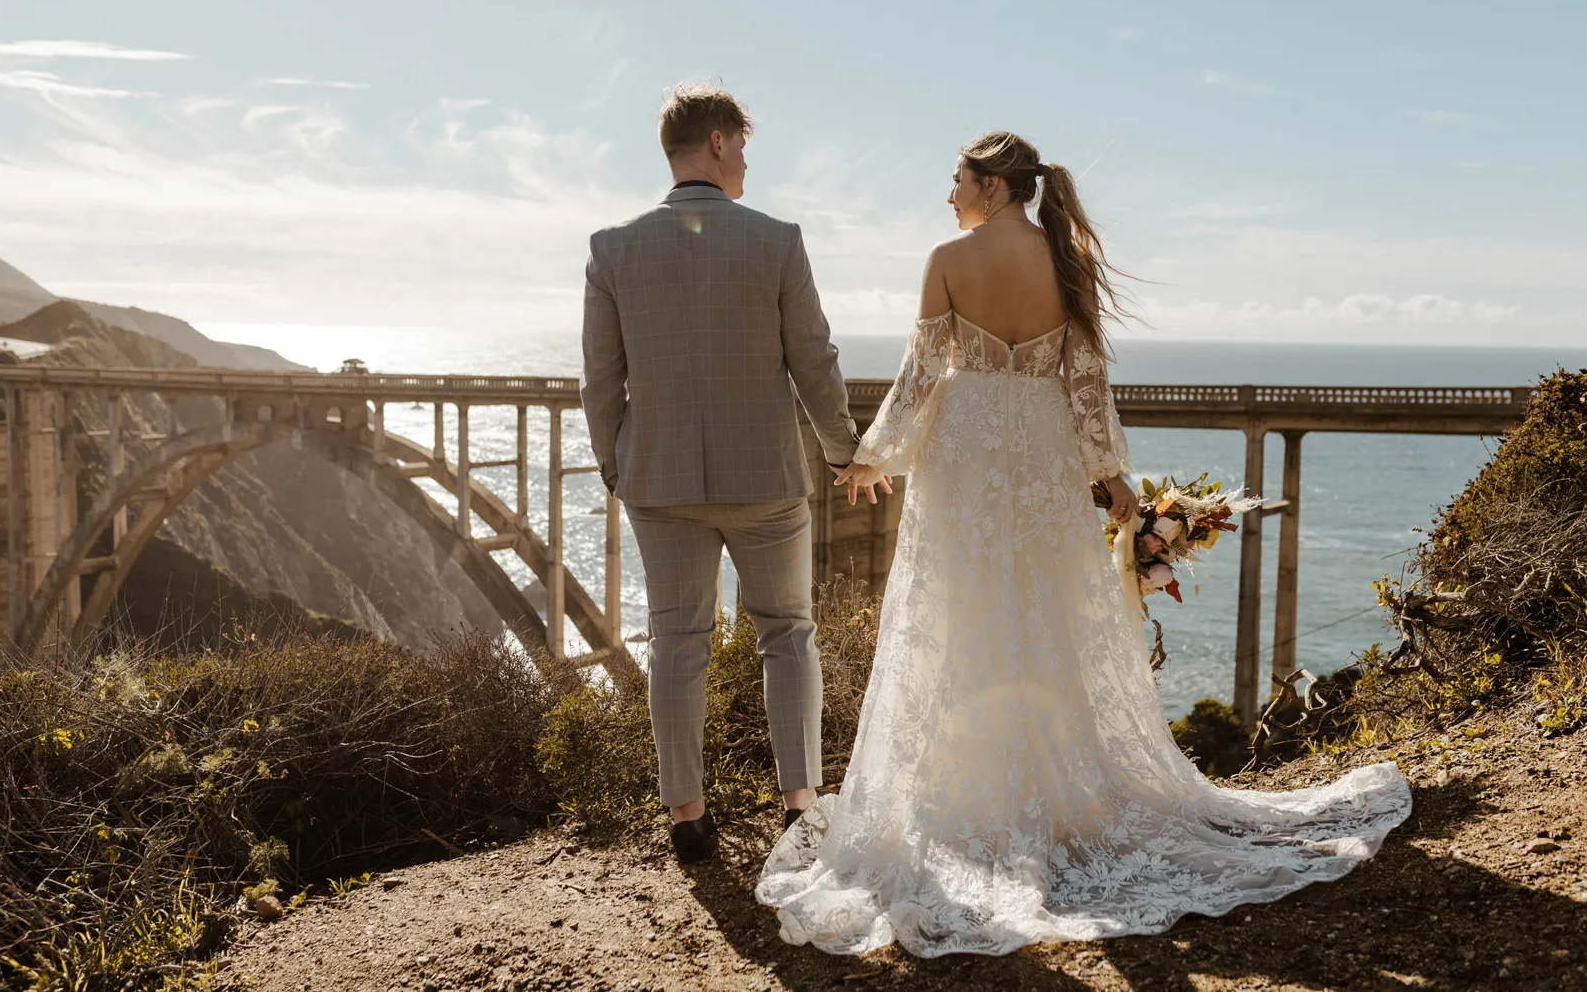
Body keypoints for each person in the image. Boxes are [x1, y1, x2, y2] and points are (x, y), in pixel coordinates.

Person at [754, 131, 1412, 956]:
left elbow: (921, 380)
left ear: (992, 184)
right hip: (1041, 450)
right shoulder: (1064, 260)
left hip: (965, 459)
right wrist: (1112, 476)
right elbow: (1088, 385)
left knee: (963, 611)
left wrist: (872, 456)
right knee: (1050, 610)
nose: (947, 191)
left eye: (955, 177)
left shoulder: (947, 258)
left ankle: (973, 795)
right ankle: (1059, 793)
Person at [581, 83, 890, 866]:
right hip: (766, 481)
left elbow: (598, 380)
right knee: (786, 633)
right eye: (743, 144)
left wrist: (619, 464)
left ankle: (687, 816)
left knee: (674, 641)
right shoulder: (777, 240)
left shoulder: (611, 248)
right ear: (717, 141)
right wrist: (843, 450)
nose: (747, 159)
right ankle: (799, 807)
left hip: (661, 482)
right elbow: (814, 361)